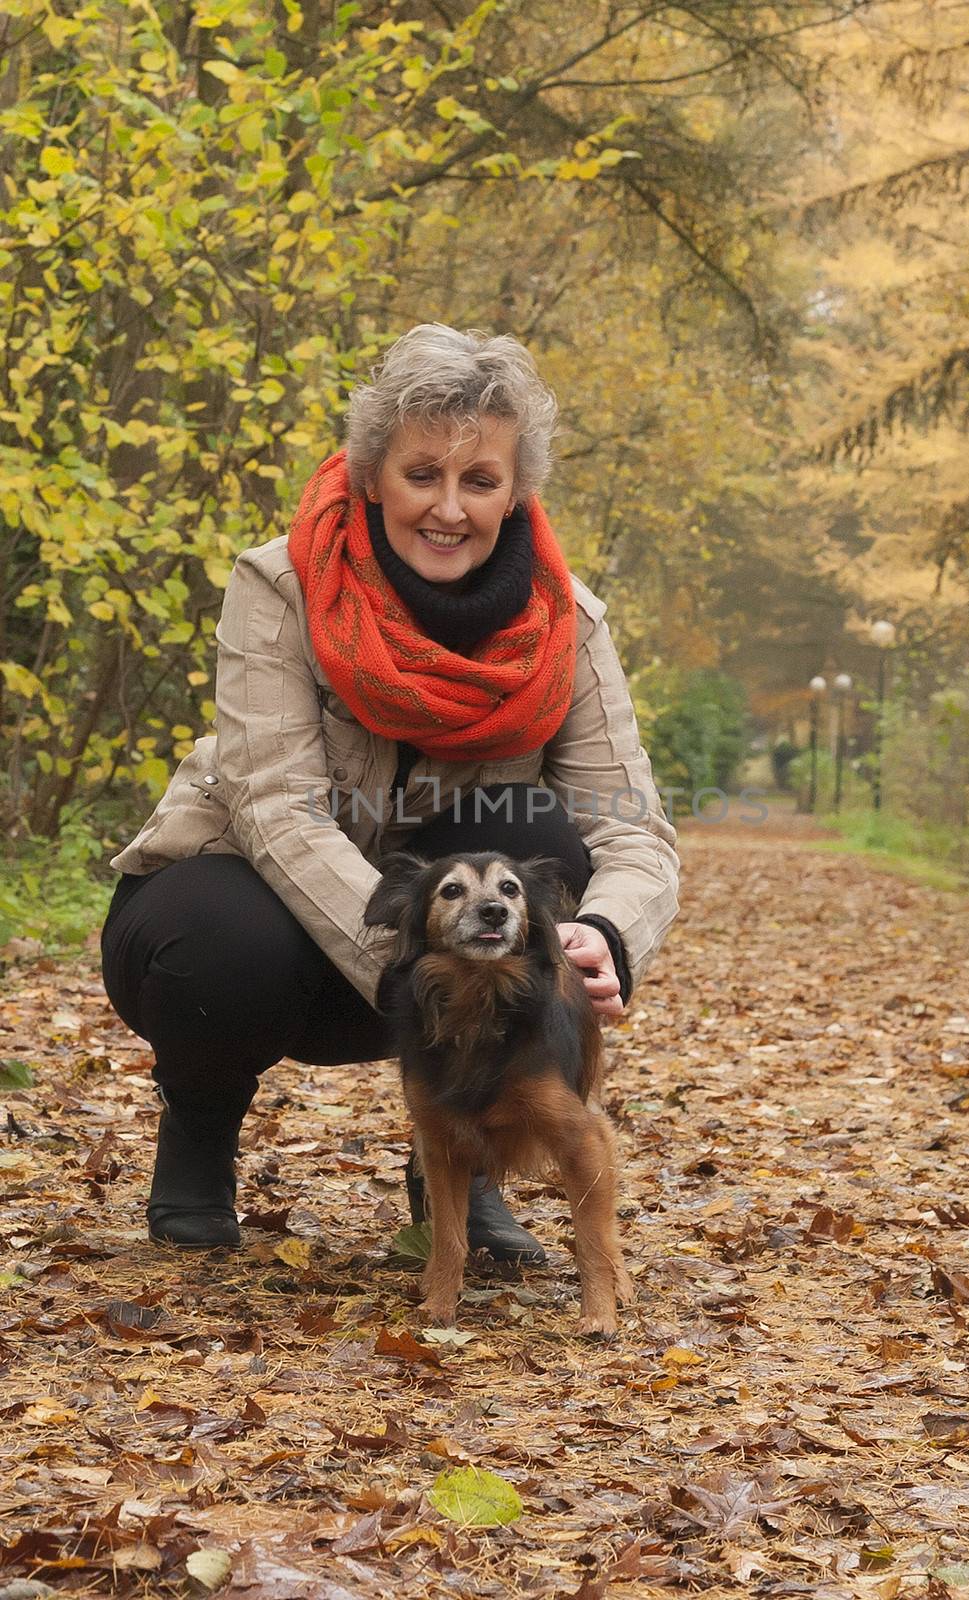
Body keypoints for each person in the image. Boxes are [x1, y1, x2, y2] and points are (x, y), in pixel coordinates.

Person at [100, 323, 680, 1261]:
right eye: (423, 474)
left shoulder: (567, 624)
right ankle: (200, 1130)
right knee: (220, 939)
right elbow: (275, 807)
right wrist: (410, 940)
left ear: (514, 492)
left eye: (479, 480)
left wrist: (609, 932)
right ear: (374, 475)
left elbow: (630, 826)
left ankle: (463, 1167)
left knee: (532, 837)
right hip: (259, 923)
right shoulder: (281, 584)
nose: (447, 508)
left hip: (445, 965)